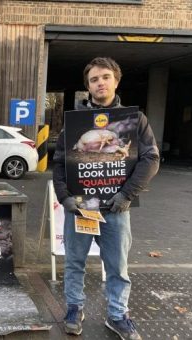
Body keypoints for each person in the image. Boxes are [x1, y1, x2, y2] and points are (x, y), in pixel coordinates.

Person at [53, 57, 159, 340]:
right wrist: (64, 197)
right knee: (74, 261)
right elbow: (60, 162)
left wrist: (127, 194)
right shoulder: (74, 123)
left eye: (105, 77)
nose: (100, 83)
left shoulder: (134, 120)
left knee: (117, 265)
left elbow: (151, 159)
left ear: (116, 80)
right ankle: (74, 308)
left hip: (116, 208)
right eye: (94, 79)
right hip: (82, 207)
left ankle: (117, 315)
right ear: (87, 86)